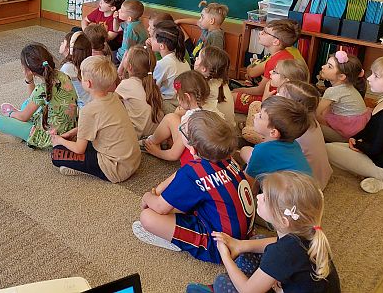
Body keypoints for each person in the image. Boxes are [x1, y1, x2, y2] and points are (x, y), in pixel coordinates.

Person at [132, 111, 255, 264]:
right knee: (179, 201)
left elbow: (159, 207)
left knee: (147, 217)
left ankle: (176, 240)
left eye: (183, 130)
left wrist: (146, 196)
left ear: (193, 149)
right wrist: (160, 189)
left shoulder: (191, 173)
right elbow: (182, 174)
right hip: (240, 233)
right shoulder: (226, 159)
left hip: (221, 247)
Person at [187, 171, 341, 293]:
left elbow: (247, 291)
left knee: (222, 282)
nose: (259, 197)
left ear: (283, 221)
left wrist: (225, 257)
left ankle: (232, 284)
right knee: (257, 241)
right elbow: (277, 244)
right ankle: (251, 279)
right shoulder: (308, 231)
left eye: (266, 198)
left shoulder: (283, 252)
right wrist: (240, 245)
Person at [50, 56, 141, 182]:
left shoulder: (88, 111)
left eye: (81, 76)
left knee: (56, 153)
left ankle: (84, 170)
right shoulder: (114, 97)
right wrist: (72, 133)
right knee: (85, 141)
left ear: (88, 83)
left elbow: (79, 149)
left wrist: (59, 140)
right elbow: (97, 123)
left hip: (115, 169)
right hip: (132, 161)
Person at [0, 43, 78, 148]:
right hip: (69, 128)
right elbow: (33, 99)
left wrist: (11, 113)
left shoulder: (41, 89)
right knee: (27, 104)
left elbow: (23, 117)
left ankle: (19, 134)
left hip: (51, 136)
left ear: (29, 70)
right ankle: (18, 127)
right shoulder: (62, 75)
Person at [325, 56, 383, 194]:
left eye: (376, 76)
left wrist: (358, 145)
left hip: (379, 164)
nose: (369, 78)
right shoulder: (382, 102)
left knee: (327, 150)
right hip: (372, 154)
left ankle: (379, 178)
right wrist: (356, 138)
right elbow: (369, 129)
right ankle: (368, 175)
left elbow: (375, 148)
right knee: (332, 147)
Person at [141, 70, 210, 165]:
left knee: (170, 118)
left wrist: (156, 152)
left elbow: (174, 155)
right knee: (177, 112)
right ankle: (161, 139)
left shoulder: (189, 122)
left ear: (187, 97)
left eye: (177, 95)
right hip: (206, 153)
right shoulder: (210, 110)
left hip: (193, 160)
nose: (177, 98)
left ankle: (150, 142)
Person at [233, 19, 300, 114]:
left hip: (272, 102)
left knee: (229, 97)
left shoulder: (275, 61)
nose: (260, 33)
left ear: (276, 42)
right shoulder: (284, 55)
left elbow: (260, 91)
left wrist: (239, 90)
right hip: (279, 99)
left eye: (265, 32)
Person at [240, 96, 312, 184]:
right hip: (306, 187)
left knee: (244, 153)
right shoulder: (294, 143)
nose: (255, 115)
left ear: (273, 132)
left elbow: (247, 183)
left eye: (260, 116)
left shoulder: (262, 151)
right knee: (245, 151)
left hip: (282, 192)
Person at [278, 81, 332, 190]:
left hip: (304, 187)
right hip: (320, 178)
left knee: (249, 153)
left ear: (291, 107)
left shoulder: (292, 129)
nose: (276, 96)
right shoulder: (311, 120)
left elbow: (274, 154)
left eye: (280, 96)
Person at [242, 59, 309, 144]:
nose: (270, 72)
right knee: (255, 105)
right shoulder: (289, 93)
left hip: (280, 139)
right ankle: (252, 126)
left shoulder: (286, 98)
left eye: (274, 71)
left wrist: (265, 99)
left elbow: (271, 118)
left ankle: (252, 129)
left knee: (246, 132)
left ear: (286, 81)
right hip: (278, 130)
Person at [316, 51, 370, 143]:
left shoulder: (333, 91)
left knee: (310, 124)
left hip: (344, 137)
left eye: (329, 66)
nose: (323, 67)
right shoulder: (349, 87)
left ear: (341, 76)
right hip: (354, 132)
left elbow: (316, 113)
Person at [116, 45, 164, 138]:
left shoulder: (127, 85)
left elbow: (109, 101)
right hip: (153, 133)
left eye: (126, 56)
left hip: (137, 135)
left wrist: (119, 72)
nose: (124, 56)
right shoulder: (152, 84)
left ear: (129, 67)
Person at [149, 20, 190, 113]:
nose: (150, 39)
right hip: (181, 103)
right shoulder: (181, 58)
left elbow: (152, 86)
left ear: (162, 46)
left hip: (171, 105)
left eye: (152, 38)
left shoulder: (164, 64)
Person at [175, 0, 228, 66]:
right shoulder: (207, 27)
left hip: (200, 62)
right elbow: (196, 22)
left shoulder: (216, 35)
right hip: (194, 53)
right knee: (178, 28)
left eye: (202, 17)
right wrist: (178, 21)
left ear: (211, 21)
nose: (200, 20)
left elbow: (216, 57)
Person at [193, 46, 235, 126]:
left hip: (213, 131)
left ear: (204, 69)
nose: (196, 58)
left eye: (198, 58)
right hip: (229, 128)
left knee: (172, 116)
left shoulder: (203, 87)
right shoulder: (222, 82)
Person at [59, 31, 93, 108]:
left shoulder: (67, 67)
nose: (61, 43)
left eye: (63, 42)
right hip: (90, 102)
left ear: (69, 49)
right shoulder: (86, 63)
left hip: (81, 106)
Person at [113, 0, 148, 68]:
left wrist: (121, 68)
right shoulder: (133, 22)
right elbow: (116, 29)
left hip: (127, 57)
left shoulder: (131, 28)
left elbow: (128, 50)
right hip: (125, 53)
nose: (118, 11)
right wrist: (115, 19)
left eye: (122, 11)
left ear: (129, 18)